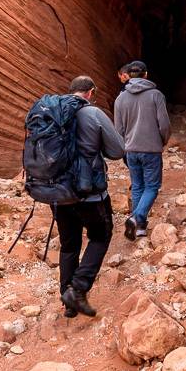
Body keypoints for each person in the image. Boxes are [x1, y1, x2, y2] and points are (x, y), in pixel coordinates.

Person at [54, 75, 125, 318]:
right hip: (90, 193)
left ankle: (68, 302)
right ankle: (79, 288)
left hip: (58, 193)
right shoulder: (93, 114)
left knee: (69, 245)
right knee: (100, 235)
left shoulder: (51, 112)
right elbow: (117, 150)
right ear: (90, 93)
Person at [113, 60, 170, 240]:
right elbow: (165, 125)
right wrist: (161, 141)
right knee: (152, 186)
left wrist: (125, 145)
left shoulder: (120, 99)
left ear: (128, 76)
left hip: (131, 150)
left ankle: (140, 228)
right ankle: (136, 218)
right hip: (151, 149)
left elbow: (118, 129)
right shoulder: (156, 95)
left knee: (137, 186)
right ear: (146, 74)